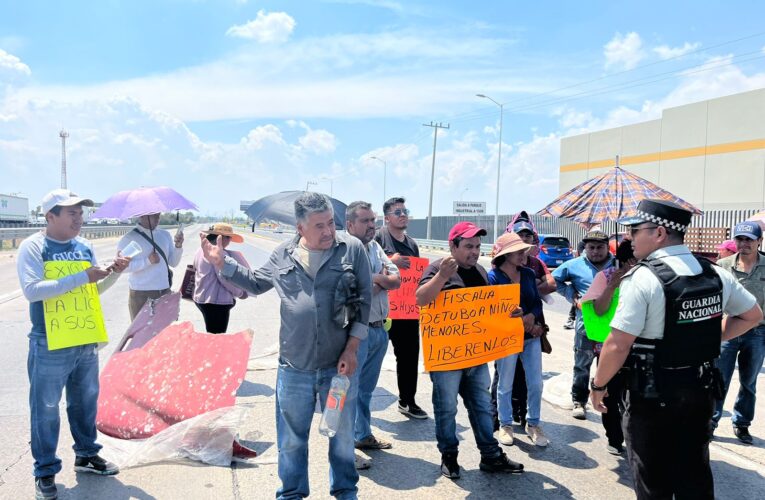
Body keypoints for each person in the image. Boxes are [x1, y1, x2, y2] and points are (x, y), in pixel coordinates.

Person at [202, 192, 372, 500]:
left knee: (343, 438)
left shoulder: (352, 250)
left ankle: (346, 492)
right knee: (292, 441)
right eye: (319, 225)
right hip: (294, 368)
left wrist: (352, 347)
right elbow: (254, 283)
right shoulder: (284, 254)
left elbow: (364, 301)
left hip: (339, 367)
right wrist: (221, 262)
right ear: (300, 228)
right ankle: (292, 493)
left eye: (330, 223)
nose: (328, 232)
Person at [590, 199, 762, 500]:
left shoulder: (643, 277)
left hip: (650, 397)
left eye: (635, 229)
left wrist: (598, 385)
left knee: (652, 480)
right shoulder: (714, 273)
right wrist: (706, 339)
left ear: (658, 232)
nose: (630, 237)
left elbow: (617, 344)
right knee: (694, 474)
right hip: (700, 391)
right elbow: (752, 315)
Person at [17, 189, 129, 500]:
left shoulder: (84, 246)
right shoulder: (34, 247)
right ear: (50, 216)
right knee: (46, 410)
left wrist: (113, 274)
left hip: (83, 338)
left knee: (85, 404)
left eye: (81, 213)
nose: (79, 218)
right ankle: (45, 471)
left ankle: (87, 455)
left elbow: (92, 289)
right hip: (50, 342)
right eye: (71, 213)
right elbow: (33, 290)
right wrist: (82, 277)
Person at [416, 221, 524, 479]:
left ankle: (491, 456)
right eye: (468, 246)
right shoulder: (437, 269)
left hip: (476, 358)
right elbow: (420, 299)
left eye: (477, 246)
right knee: (446, 409)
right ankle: (449, 457)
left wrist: (509, 314)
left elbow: (486, 311)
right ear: (453, 246)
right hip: (446, 360)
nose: (474, 251)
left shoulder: (480, 271)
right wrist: (442, 276)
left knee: (482, 407)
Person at [345, 201, 401, 463]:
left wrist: (376, 279)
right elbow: (356, 292)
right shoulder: (344, 251)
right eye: (366, 221)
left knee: (366, 390)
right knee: (349, 391)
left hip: (380, 329)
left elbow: (396, 279)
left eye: (373, 220)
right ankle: (345, 449)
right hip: (358, 332)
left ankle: (362, 434)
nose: (372, 225)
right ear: (350, 224)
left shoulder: (376, 247)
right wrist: (379, 280)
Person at [489, 221, 556, 430]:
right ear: (505, 254)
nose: (522, 254)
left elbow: (536, 302)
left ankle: (534, 423)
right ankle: (505, 424)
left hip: (531, 337)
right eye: (517, 250)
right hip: (506, 338)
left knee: (535, 383)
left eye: (524, 250)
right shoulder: (492, 277)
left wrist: (532, 318)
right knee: (505, 384)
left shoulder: (528, 274)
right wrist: (520, 319)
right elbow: (492, 311)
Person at [580, 238, 637, 455]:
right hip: (610, 346)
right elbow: (600, 310)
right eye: (629, 262)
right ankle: (614, 437)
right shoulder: (604, 276)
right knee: (610, 395)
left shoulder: (650, 278)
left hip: (640, 348)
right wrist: (613, 285)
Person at [552, 230, 615, 419]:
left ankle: (608, 400)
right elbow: (554, 280)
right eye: (591, 247)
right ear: (585, 248)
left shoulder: (619, 264)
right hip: (585, 327)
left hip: (613, 328)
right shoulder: (573, 265)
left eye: (600, 247)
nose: (595, 251)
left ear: (607, 247)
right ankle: (579, 401)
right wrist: (572, 296)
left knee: (610, 366)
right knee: (582, 366)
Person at [374, 197, 427, 419]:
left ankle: (407, 401)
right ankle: (359, 403)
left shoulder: (412, 243)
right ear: (387, 218)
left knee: (408, 357)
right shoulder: (377, 238)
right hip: (382, 310)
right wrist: (390, 259)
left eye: (405, 211)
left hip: (406, 312)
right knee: (370, 357)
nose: (403, 214)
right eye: (398, 212)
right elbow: (367, 264)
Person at [713, 221, 765, 444]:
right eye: (740, 239)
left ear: (759, 241)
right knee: (719, 379)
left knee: (748, 381)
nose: (743, 244)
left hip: (757, 332)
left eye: (749, 240)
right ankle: (711, 421)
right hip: (728, 329)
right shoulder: (722, 265)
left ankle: (742, 423)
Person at [117, 212, 184, 320]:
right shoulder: (129, 238)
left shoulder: (165, 235)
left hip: (164, 291)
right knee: (142, 335)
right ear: (142, 215)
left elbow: (173, 262)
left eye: (158, 214)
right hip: (141, 294)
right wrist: (147, 261)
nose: (157, 217)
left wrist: (178, 246)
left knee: (165, 334)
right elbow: (122, 268)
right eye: (153, 215)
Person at [193, 223, 250, 334]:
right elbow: (225, 278)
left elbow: (195, 269)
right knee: (217, 339)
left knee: (211, 334)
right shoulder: (218, 253)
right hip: (216, 303)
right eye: (228, 237)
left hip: (201, 299)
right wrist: (241, 293)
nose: (229, 241)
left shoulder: (200, 250)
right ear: (221, 238)